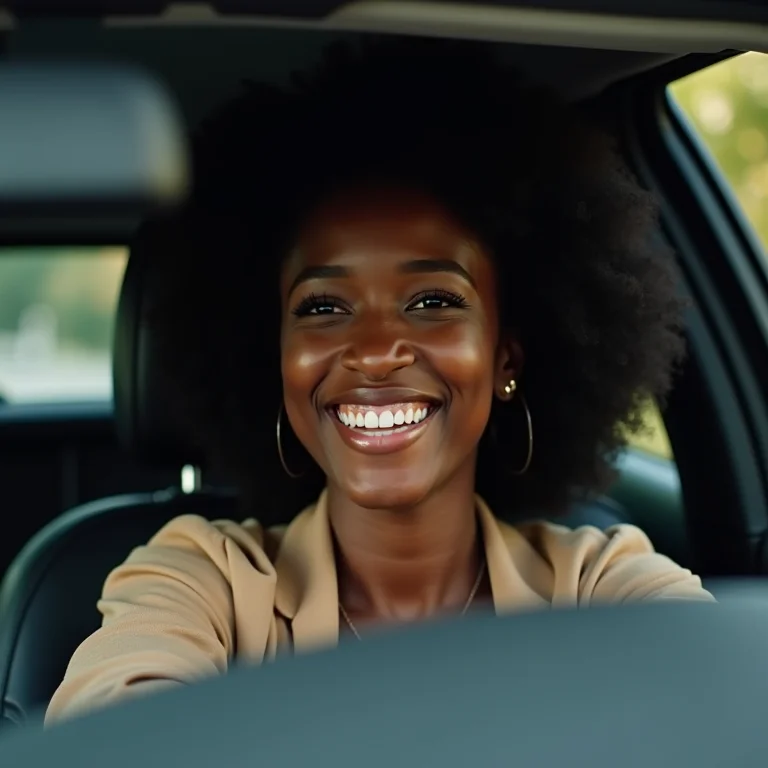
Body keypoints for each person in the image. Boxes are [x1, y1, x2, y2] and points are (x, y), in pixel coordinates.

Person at [46, 37, 714, 724]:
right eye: (323, 307)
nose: (374, 351)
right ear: (272, 358)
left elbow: (724, 701)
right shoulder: (197, 579)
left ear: (506, 358)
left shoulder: (598, 584)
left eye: (433, 302)